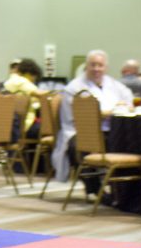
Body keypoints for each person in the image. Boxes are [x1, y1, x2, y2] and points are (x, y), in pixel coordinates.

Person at [51, 50, 132, 185]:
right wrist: (105, 113)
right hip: (80, 131)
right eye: (92, 65)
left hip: (111, 129)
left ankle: (122, 189)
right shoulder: (74, 87)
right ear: (86, 66)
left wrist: (125, 105)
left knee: (129, 140)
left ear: (106, 67)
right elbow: (82, 117)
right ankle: (93, 188)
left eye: (100, 65)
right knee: (80, 145)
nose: (96, 69)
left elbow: (128, 98)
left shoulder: (113, 84)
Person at [2, 57, 45, 136]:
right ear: (29, 73)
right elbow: (40, 94)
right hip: (23, 126)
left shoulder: (10, 82)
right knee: (52, 128)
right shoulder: (21, 81)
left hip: (11, 126)